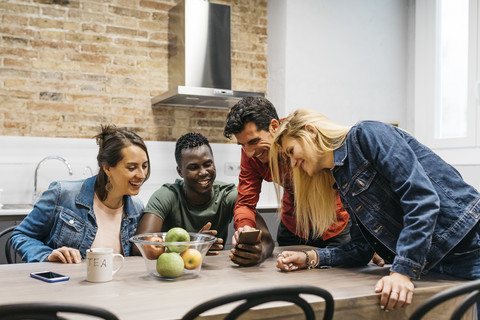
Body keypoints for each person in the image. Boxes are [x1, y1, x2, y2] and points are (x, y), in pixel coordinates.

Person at [270, 108, 480, 313]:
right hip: (435, 265)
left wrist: (401, 272)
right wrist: (311, 258)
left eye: (291, 151)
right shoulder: (341, 178)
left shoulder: (366, 135)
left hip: (469, 247)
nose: (292, 163)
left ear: (311, 132)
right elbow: (362, 248)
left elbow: (421, 199)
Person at [223, 97, 353, 266]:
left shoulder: (302, 134)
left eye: (253, 141)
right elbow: (245, 203)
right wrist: (245, 226)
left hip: (333, 224)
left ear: (274, 127)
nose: (249, 153)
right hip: (294, 225)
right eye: (242, 145)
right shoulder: (252, 154)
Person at [10, 125, 150, 263]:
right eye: (132, 167)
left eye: (144, 166)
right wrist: (47, 255)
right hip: (62, 284)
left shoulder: (136, 210)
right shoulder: (62, 194)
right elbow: (21, 235)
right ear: (107, 168)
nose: (142, 174)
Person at [133, 133, 272, 264]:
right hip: (173, 274)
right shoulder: (166, 196)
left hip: (215, 273)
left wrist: (260, 253)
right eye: (193, 167)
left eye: (208, 164)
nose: (203, 172)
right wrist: (193, 246)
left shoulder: (228, 195)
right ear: (180, 171)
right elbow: (139, 247)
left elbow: (267, 240)